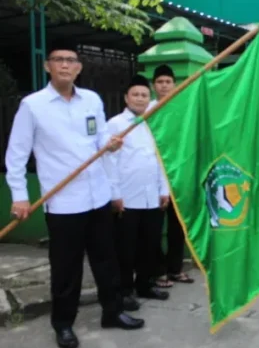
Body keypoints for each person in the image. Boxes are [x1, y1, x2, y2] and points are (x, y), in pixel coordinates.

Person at [5, 40, 144, 348]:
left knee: (106, 261)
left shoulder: (91, 100)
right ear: (48, 66)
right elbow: (16, 155)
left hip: (97, 196)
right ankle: (63, 324)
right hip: (63, 202)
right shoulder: (33, 105)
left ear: (79, 67)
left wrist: (110, 144)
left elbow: (101, 139)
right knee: (67, 268)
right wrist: (19, 195)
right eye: (58, 60)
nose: (65, 65)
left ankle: (112, 311)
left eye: (70, 60)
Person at [108, 74, 171, 311]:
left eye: (144, 95)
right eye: (135, 94)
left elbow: (159, 159)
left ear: (149, 98)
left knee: (149, 246)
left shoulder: (152, 123)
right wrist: (115, 194)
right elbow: (109, 162)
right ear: (126, 98)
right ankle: (124, 291)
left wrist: (163, 189)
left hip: (151, 198)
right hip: (127, 199)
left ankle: (145, 284)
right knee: (125, 249)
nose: (140, 98)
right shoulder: (115, 124)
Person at [149, 64, 194, 287]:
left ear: (174, 85)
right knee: (155, 229)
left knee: (178, 228)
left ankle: (175, 269)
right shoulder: (147, 112)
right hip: (152, 177)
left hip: (178, 176)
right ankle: (158, 272)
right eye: (160, 82)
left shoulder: (181, 110)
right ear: (153, 86)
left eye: (168, 82)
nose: (164, 85)